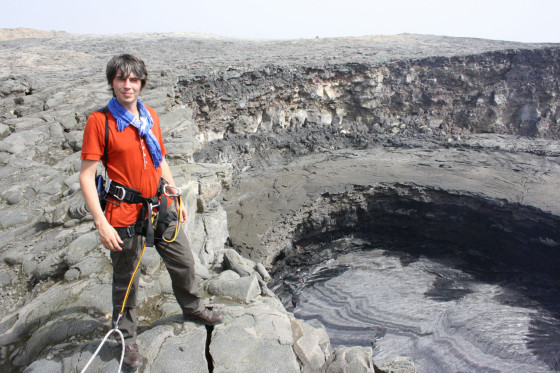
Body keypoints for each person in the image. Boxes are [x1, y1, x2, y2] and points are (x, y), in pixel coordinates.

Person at [79, 54, 222, 370]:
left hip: (161, 206)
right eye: (121, 79)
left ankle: (193, 308)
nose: (127, 85)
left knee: (184, 261)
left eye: (133, 80)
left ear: (141, 83)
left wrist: (174, 193)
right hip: (123, 212)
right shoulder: (100, 122)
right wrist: (101, 224)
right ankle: (126, 336)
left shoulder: (151, 116)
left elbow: (160, 161)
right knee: (127, 278)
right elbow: (87, 176)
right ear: (112, 82)